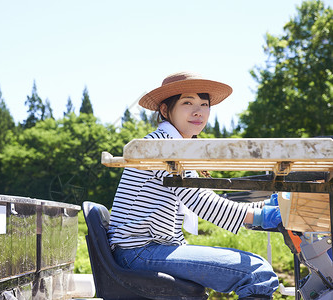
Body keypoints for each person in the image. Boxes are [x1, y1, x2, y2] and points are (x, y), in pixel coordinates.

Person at [107, 72, 282, 300]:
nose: (198, 111)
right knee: (258, 273)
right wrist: (262, 217)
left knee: (258, 266)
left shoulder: (175, 146)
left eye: (204, 104)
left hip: (148, 249)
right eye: (187, 102)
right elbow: (198, 200)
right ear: (164, 109)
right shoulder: (162, 146)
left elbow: (202, 194)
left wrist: (265, 205)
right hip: (139, 252)